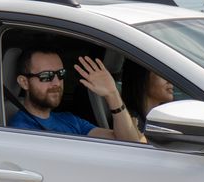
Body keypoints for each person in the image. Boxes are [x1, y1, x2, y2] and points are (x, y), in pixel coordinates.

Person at [9, 46, 142, 142]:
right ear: (24, 82)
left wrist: (112, 94)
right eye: (46, 76)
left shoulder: (69, 119)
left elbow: (129, 143)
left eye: (60, 74)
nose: (57, 82)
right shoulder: (21, 130)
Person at [121, 59, 174, 134]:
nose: (170, 80)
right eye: (162, 73)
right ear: (142, 78)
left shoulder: (159, 118)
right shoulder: (130, 121)